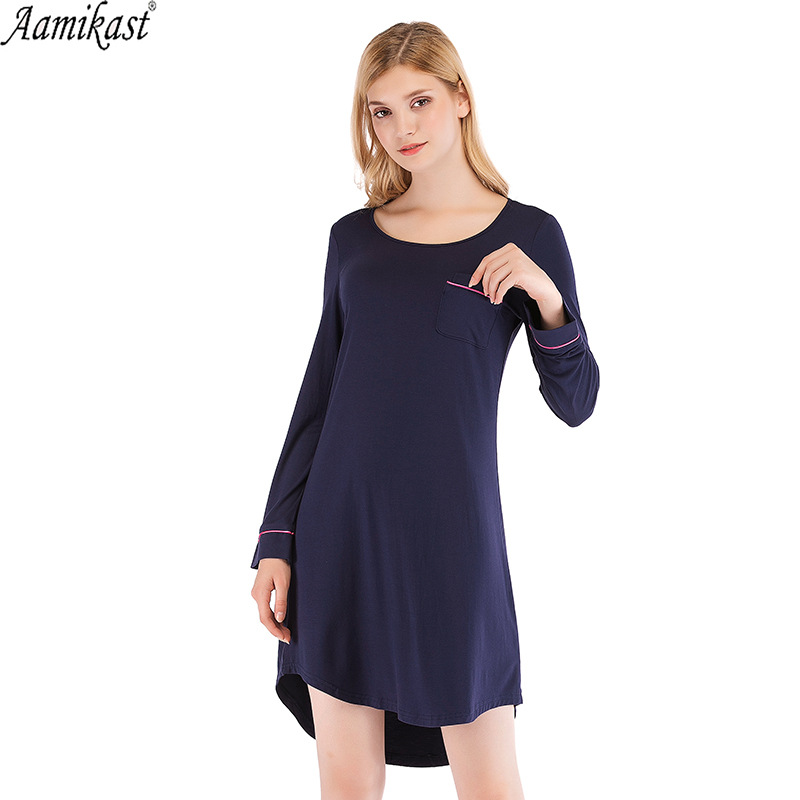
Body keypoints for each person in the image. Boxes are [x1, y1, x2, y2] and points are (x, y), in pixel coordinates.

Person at [250, 20, 600, 800]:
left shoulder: (528, 235)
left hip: (454, 542)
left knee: (490, 783)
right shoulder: (353, 241)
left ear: (462, 98)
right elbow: (319, 397)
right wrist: (277, 542)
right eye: (381, 111)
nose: (401, 127)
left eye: (420, 101)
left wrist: (548, 301)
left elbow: (577, 403)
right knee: (347, 781)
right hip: (340, 533)